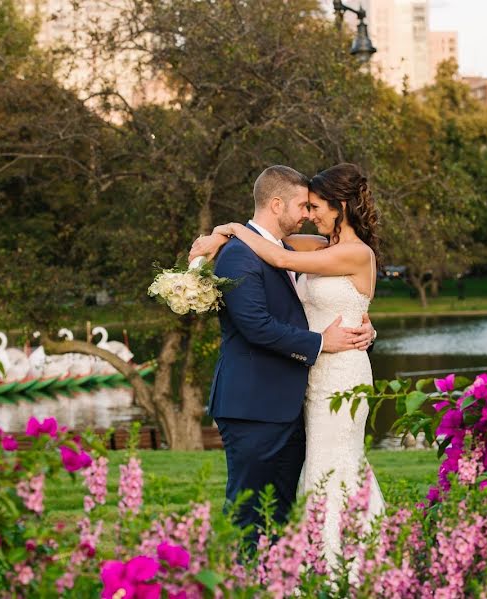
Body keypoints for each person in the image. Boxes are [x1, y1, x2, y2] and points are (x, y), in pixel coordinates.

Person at [191, 163, 385, 567]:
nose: (310, 214)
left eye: (315, 206)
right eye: (304, 205)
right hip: (306, 380)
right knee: (311, 475)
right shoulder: (312, 246)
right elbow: (270, 246)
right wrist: (222, 234)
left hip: (340, 375)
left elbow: (278, 259)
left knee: (336, 467)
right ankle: (300, 568)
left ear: (340, 206)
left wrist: (232, 232)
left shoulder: (353, 251)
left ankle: (344, 565)